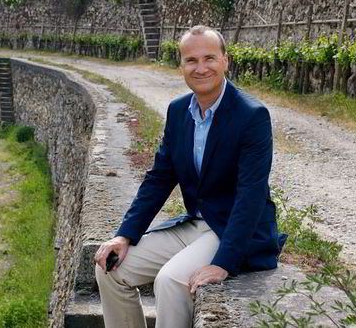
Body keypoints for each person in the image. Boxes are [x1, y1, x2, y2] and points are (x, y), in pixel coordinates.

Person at [94, 25, 286, 328]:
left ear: (225, 60)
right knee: (111, 268)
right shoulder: (178, 110)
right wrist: (124, 235)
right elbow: (159, 178)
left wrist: (224, 263)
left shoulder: (251, 115)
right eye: (191, 60)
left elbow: (251, 195)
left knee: (171, 281)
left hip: (229, 229)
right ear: (181, 65)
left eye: (209, 58)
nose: (201, 68)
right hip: (193, 223)